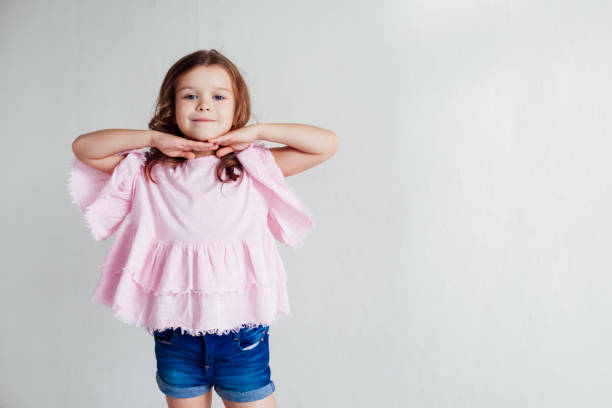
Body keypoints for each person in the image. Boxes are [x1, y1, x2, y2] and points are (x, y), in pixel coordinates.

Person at [68, 49, 339, 408]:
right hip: (175, 333)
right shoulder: (149, 168)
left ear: (236, 106)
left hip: (241, 333)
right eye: (190, 96)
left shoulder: (251, 164)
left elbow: (326, 144)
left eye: (218, 96)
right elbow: (84, 147)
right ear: (172, 105)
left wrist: (257, 131)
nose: (204, 106)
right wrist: (151, 139)